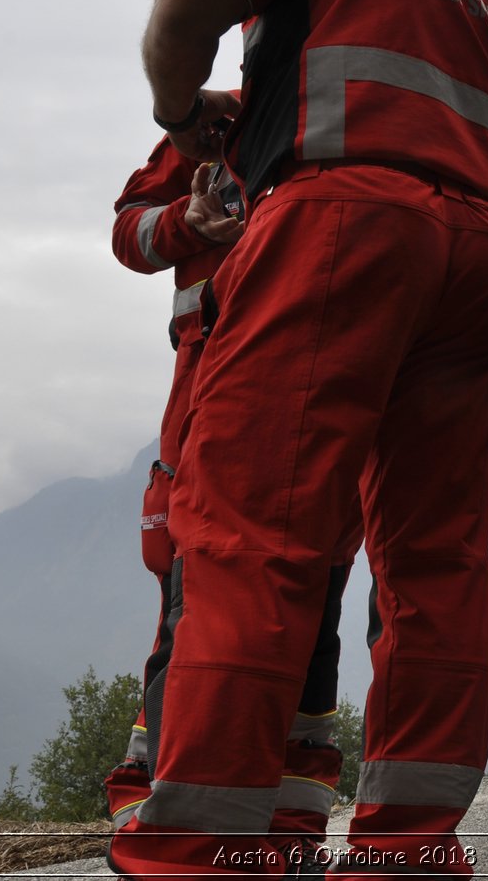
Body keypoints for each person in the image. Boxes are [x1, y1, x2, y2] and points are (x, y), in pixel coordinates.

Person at [107, 0, 488, 881]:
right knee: (436, 561)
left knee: (252, 539)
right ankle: (407, 848)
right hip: (485, 261)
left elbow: (181, 14)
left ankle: (199, 848)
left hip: (338, 220)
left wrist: (184, 119)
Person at [103, 130, 362, 864]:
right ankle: (168, 828)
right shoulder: (210, 130)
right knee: (196, 621)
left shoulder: (348, 115)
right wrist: (187, 223)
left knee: (315, 621)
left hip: (324, 403)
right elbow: (129, 231)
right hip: (209, 409)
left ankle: (291, 835)